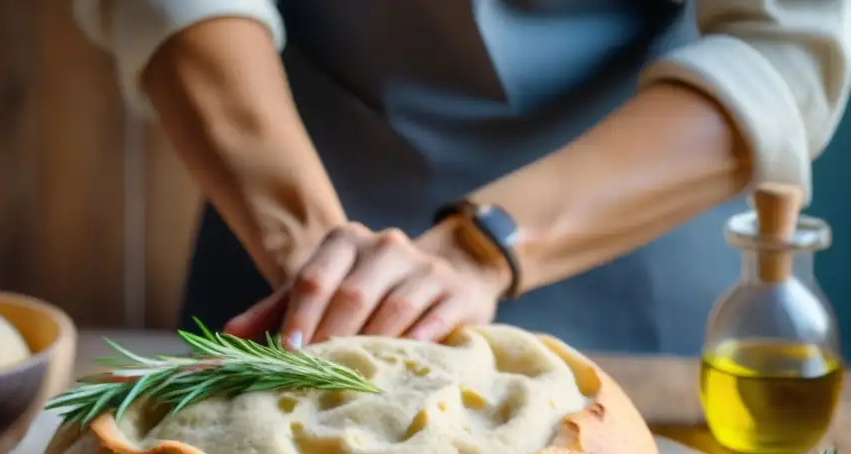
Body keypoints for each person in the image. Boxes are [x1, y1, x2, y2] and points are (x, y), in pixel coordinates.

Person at [75, 0, 850, 355]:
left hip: (636, 247)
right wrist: (314, 256)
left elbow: (784, 45)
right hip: (285, 221)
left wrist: (481, 248)